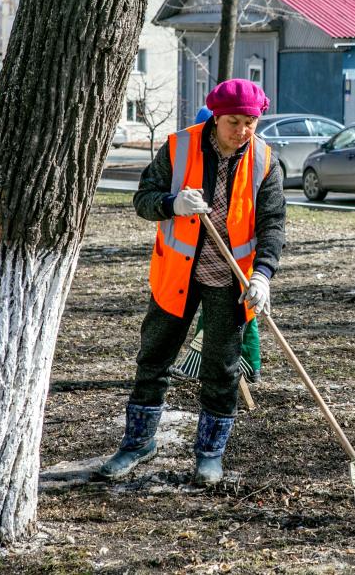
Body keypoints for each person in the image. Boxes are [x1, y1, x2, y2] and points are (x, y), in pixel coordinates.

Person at [99, 79, 285, 486]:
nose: (242, 131)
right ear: (216, 117)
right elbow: (143, 200)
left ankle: (210, 454)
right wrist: (172, 204)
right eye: (234, 122)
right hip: (177, 276)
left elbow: (273, 224)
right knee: (154, 359)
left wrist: (263, 274)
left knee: (222, 370)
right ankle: (138, 443)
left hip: (231, 283)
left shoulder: (265, 161)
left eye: (250, 122)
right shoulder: (178, 147)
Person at [170, 106, 264, 384]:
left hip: (239, 267)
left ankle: (251, 365)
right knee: (217, 319)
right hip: (202, 264)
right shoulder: (193, 153)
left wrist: (261, 275)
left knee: (247, 318)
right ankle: (208, 363)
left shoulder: (254, 158)